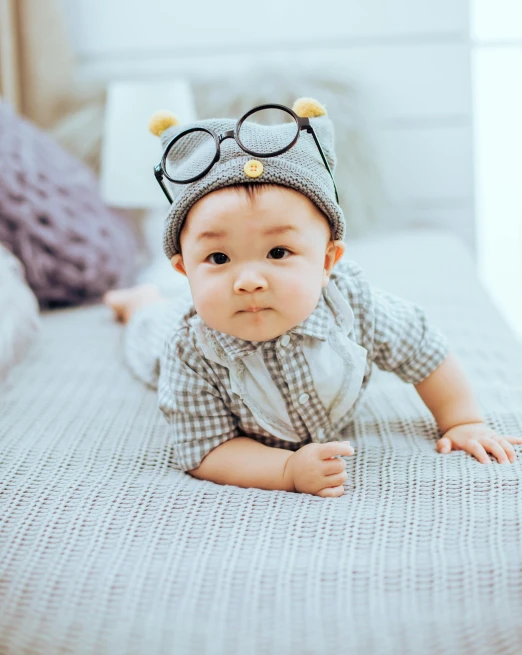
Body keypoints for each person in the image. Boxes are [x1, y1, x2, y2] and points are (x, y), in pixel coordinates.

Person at [104, 97, 521, 498]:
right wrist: (285, 470)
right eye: (218, 257)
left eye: (278, 253)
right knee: (147, 336)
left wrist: (463, 421)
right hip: (168, 332)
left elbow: (424, 349)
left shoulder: (354, 305)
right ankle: (139, 303)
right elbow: (205, 451)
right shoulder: (190, 349)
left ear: (327, 262)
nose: (248, 280)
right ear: (185, 269)